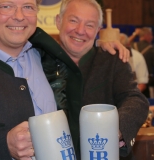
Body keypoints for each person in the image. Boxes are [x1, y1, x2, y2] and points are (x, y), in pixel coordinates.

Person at [0, 0, 130, 159]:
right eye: (7, 6)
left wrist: (103, 44)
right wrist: (3, 146)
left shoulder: (48, 55)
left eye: (28, 7)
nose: (19, 16)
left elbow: (80, 47)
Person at [55, 0, 149, 159]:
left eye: (90, 25)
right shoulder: (39, 60)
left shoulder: (112, 60)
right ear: (58, 21)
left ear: (98, 30)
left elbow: (134, 98)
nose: (80, 30)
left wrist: (116, 128)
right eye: (73, 21)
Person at [130, 27, 154, 97]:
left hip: (132, 82)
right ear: (147, 35)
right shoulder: (151, 50)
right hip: (146, 84)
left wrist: (135, 34)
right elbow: (123, 41)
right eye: (151, 35)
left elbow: (125, 41)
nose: (152, 37)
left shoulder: (132, 45)